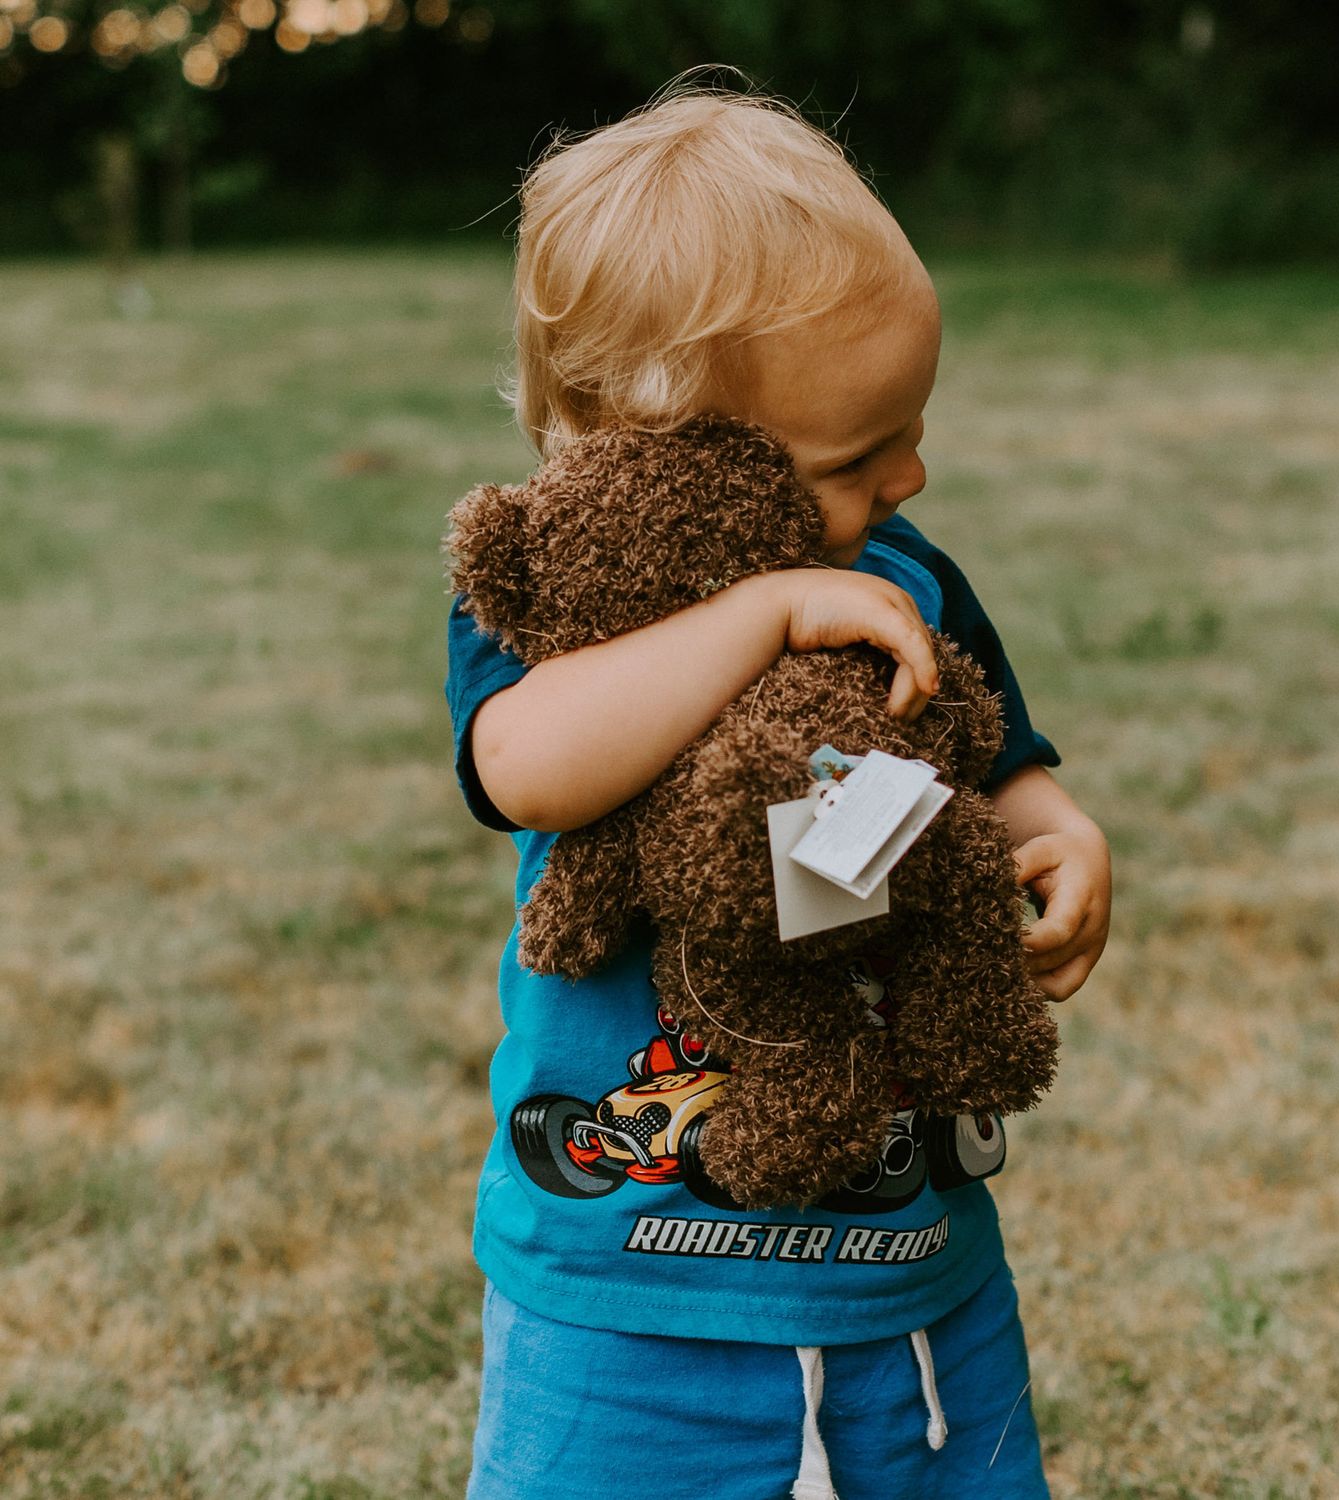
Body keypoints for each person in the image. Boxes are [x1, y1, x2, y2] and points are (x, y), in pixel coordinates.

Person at [445, 84, 1111, 1500]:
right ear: (655, 441)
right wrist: (762, 612)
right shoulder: (557, 595)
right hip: (627, 1301)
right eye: (857, 459)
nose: (911, 474)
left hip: (910, 1277)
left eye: (910, 431)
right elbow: (525, 766)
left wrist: (1059, 837)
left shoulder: (907, 577)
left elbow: (1000, 763)